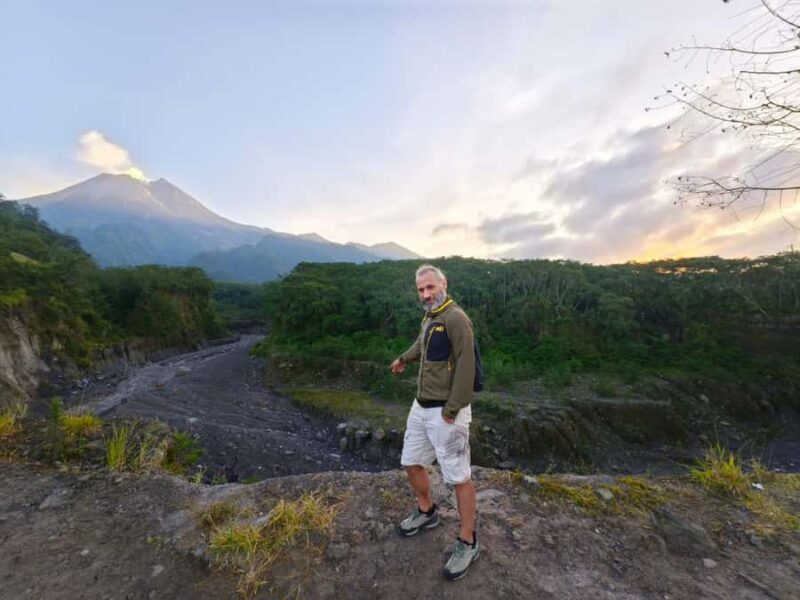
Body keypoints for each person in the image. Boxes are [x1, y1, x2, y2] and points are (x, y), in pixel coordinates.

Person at [390, 264, 479, 581]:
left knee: (458, 477)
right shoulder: (430, 316)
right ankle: (427, 511)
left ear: (444, 284)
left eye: (430, 287)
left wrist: (452, 410)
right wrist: (403, 358)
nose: (426, 294)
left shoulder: (456, 319)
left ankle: (468, 541)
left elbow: (467, 367)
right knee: (411, 462)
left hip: (446, 412)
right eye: (421, 290)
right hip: (421, 406)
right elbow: (421, 345)